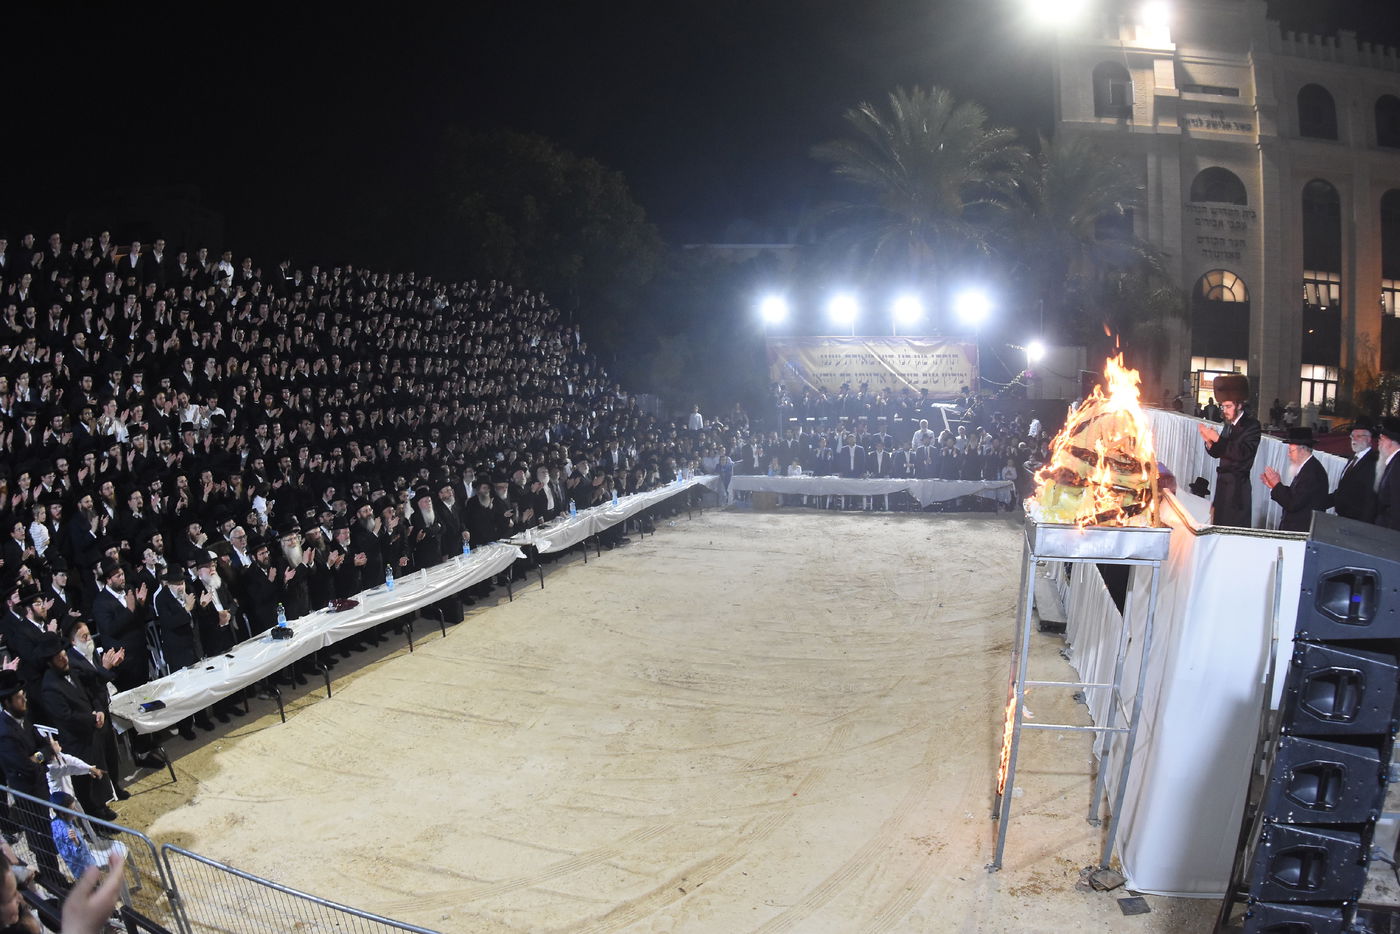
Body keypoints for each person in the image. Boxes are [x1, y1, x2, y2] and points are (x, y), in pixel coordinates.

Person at [1197, 374, 1261, 528]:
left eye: (1228, 406)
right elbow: (1219, 452)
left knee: (1232, 529)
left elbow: (1242, 453)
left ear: (1239, 405)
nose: (1224, 410)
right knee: (1218, 526)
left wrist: (1218, 439)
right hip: (1222, 487)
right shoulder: (1228, 425)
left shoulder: (1252, 426)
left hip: (1237, 490)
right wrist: (1209, 442)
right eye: (1223, 406)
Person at [1260, 428, 1329, 533]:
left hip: (1301, 532)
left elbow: (1293, 503)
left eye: (1290, 451)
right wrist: (1274, 486)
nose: (1288, 455)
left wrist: (1277, 485)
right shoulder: (1307, 468)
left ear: (1301, 451)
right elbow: (1296, 496)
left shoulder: (1312, 472)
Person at [1328, 423, 1378, 523]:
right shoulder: (1353, 458)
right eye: (1352, 436)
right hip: (1343, 517)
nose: (1354, 440)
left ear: (1368, 439)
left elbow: (1370, 498)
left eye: (1358, 436)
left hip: (1358, 521)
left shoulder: (1373, 461)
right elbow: (1344, 489)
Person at [1372, 417, 1400, 531]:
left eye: (1381, 439)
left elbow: (1396, 508)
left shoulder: (1397, 465)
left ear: (1390, 441)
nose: (1379, 442)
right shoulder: (1394, 463)